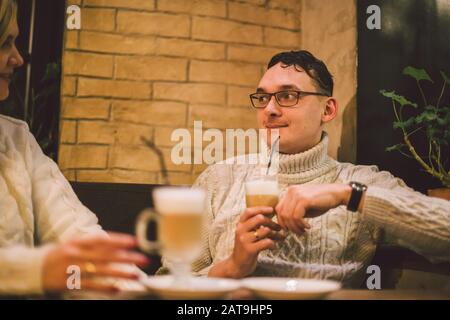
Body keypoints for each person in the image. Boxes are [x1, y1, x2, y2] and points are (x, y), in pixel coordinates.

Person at [162, 50, 450, 287]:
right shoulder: (219, 179)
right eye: (262, 98)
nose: (270, 110)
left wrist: (348, 195)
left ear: (327, 110)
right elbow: (168, 283)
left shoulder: (359, 181)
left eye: (288, 96)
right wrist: (232, 267)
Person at [0, 0, 148, 295]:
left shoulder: (17, 140)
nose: (18, 59)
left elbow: (76, 234)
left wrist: (140, 288)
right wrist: (36, 270)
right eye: (5, 43)